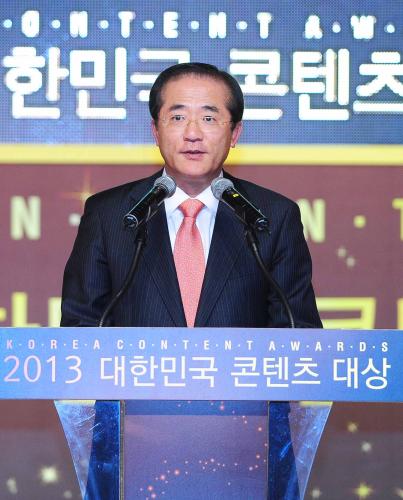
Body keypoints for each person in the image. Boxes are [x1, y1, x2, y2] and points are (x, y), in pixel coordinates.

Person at [61, 62, 321, 329]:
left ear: (234, 133)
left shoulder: (273, 217)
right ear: (156, 131)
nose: (193, 134)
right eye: (178, 118)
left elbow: (298, 333)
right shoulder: (108, 215)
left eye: (208, 118)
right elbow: (80, 327)